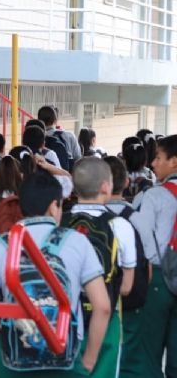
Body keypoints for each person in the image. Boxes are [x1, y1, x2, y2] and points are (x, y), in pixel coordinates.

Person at [0, 171, 111, 377]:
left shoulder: (0, 245)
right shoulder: (77, 241)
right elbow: (103, 307)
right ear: (54, 205)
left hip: (13, 361)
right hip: (66, 359)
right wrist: (88, 360)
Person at [62, 157, 135, 375]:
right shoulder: (119, 225)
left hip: (62, 321)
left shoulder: (59, 222)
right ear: (106, 186)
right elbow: (126, 287)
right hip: (106, 321)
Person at [130, 135, 177, 376]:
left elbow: (145, 239)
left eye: (158, 158)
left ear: (174, 162)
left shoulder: (154, 195)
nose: (152, 164)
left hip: (158, 277)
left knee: (150, 351)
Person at [104, 155, 153, 378]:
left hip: (95, 299)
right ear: (126, 183)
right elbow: (149, 260)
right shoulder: (137, 218)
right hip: (132, 296)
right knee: (130, 349)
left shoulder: (87, 219)